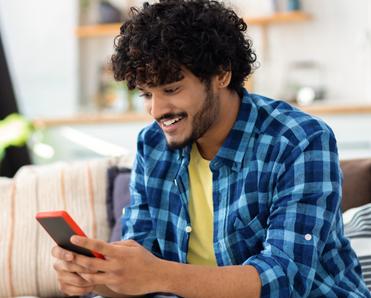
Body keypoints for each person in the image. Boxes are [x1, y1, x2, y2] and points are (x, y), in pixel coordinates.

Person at [51, 0, 371, 297]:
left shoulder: (299, 140)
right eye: (147, 94)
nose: (156, 110)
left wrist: (160, 274)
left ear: (221, 74)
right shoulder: (153, 146)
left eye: (172, 89)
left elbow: (285, 278)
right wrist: (98, 277)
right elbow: (141, 268)